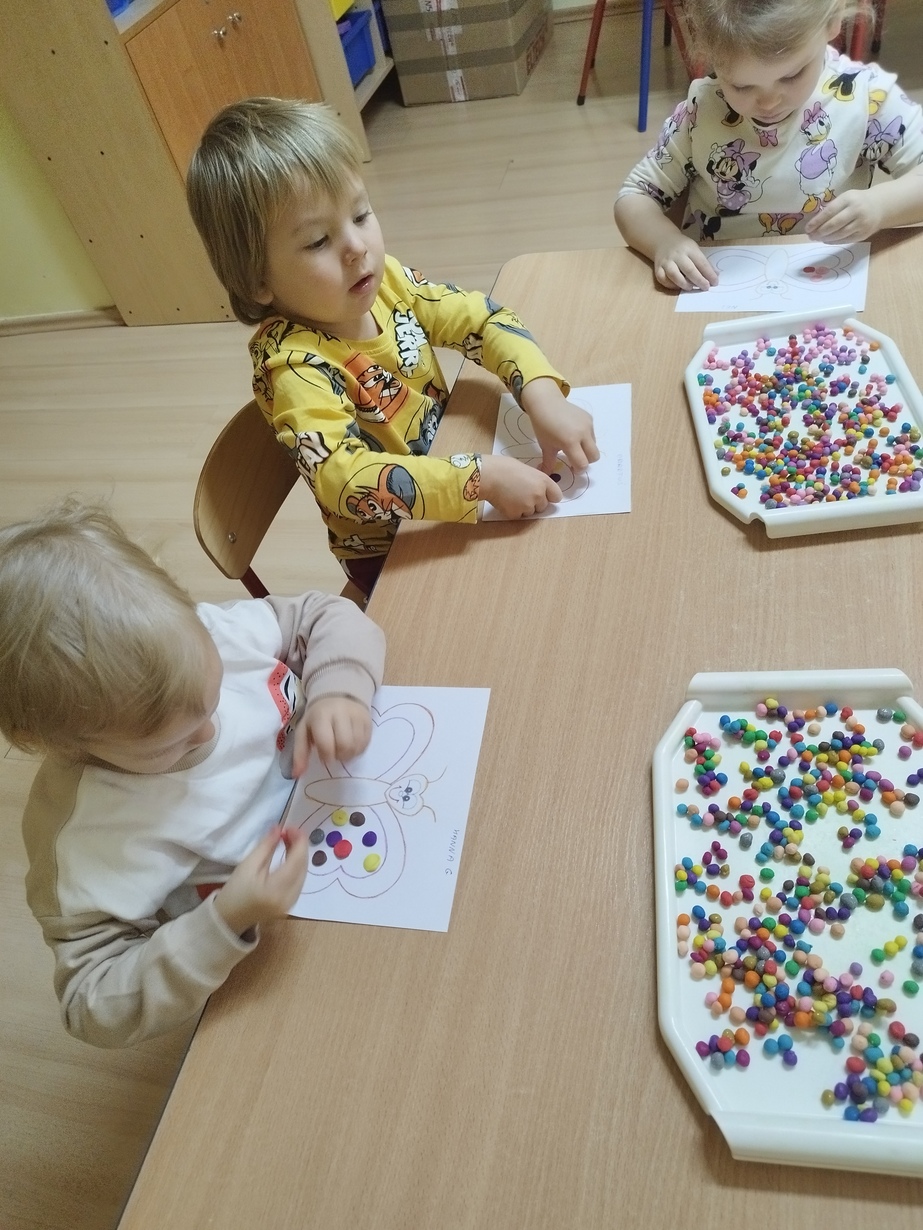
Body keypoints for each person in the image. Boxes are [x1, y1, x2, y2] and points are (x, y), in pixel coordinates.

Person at [1, 500, 385, 1047]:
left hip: (351, 836)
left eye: (213, 695)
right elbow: (90, 1006)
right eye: (171, 745)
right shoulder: (86, 840)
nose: (208, 734)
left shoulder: (209, 634)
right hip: (271, 952)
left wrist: (338, 689)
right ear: (62, 745)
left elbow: (326, 615)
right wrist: (224, 921)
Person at [186, 97, 599, 598]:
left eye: (360, 214)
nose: (357, 247)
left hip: (452, 474)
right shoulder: (293, 367)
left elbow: (480, 317)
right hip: (395, 554)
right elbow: (343, 479)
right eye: (317, 241)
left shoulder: (383, 283)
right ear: (257, 281)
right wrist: (480, 479)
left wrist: (541, 393)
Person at [614, 0, 923, 291]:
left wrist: (880, 207)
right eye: (741, 85)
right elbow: (635, 196)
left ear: (832, 22)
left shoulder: (865, 97)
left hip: (830, 280)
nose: (768, 102)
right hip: (719, 286)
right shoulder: (701, 109)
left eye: (791, 76)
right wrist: (664, 242)